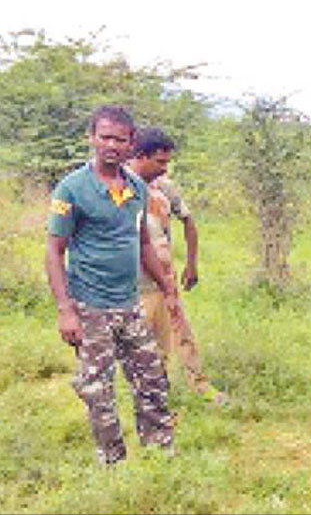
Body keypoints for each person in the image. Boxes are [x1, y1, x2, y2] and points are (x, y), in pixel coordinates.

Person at [44, 105, 177, 464]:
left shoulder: (136, 187)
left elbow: (144, 244)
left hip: (129, 304)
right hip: (90, 308)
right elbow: (54, 252)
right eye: (104, 137)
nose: (111, 146)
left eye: (120, 139)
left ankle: (160, 457)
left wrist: (168, 288)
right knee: (98, 392)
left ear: (131, 143)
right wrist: (65, 310)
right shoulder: (71, 189)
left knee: (152, 381)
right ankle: (113, 465)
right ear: (92, 138)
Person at [127, 127, 226, 404]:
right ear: (140, 156)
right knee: (146, 346)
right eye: (160, 161)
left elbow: (189, 222)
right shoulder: (119, 187)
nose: (164, 168)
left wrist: (191, 264)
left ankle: (199, 385)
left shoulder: (164, 187)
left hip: (165, 280)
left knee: (182, 333)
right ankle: (154, 398)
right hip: (134, 285)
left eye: (167, 162)